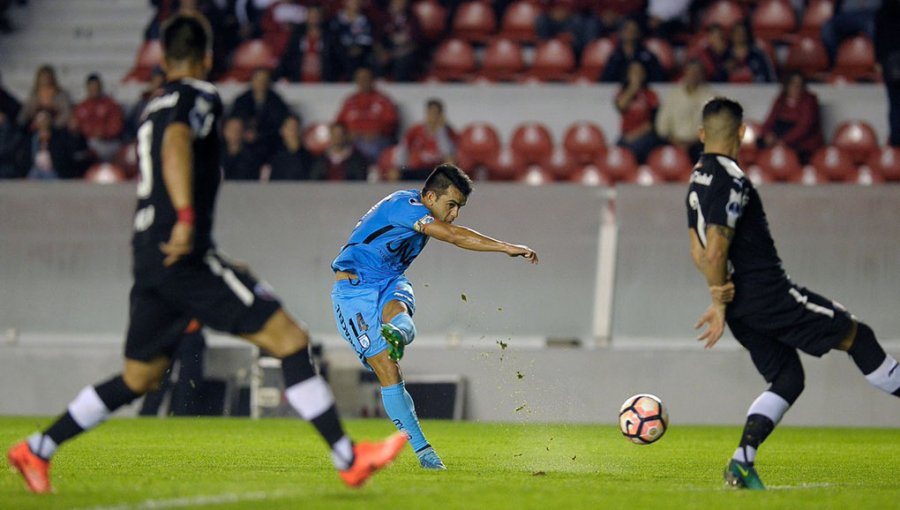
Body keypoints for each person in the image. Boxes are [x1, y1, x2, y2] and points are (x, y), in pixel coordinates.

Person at [7, 13, 405, 495]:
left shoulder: (150, 106)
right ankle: (348, 457)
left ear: (162, 56)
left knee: (139, 376)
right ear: (207, 57)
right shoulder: (200, 95)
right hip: (184, 254)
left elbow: (164, 147)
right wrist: (187, 219)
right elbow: (178, 144)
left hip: (152, 257)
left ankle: (38, 448)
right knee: (290, 339)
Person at [686, 97, 900, 491]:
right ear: (742, 132)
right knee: (858, 335)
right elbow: (715, 250)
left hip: (741, 306)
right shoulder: (732, 179)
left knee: (787, 377)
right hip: (769, 294)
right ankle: (741, 462)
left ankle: (741, 463)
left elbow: (698, 251)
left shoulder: (696, 179)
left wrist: (720, 298)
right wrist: (718, 299)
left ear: (702, 135)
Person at [330, 164, 538, 470]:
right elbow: (453, 236)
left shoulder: (419, 208)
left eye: (459, 208)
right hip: (353, 290)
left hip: (389, 279)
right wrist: (506, 247)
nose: (453, 214)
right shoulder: (406, 207)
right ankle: (424, 451)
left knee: (400, 315)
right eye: (451, 205)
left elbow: (448, 230)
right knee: (389, 371)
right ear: (429, 196)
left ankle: (398, 333)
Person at [335, 67, 398, 163]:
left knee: (369, 149)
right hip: (351, 140)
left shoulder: (383, 100)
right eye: (359, 79)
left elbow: (392, 122)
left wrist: (376, 132)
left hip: (375, 140)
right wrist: (347, 134)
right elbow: (338, 124)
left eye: (366, 78)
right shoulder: (349, 101)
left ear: (372, 80)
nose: (363, 81)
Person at [759, 72, 824, 164]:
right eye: (793, 83)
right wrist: (767, 134)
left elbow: (804, 127)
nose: (796, 87)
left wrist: (784, 141)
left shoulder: (809, 100)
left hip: (802, 142)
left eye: (799, 84)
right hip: (779, 137)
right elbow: (769, 121)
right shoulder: (781, 100)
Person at [655, 59, 714, 161]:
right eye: (690, 71)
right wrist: (675, 141)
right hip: (673, 142)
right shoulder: (674, 95)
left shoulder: (710, 97)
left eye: (696, 72)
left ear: (702, 75)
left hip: (698, 143)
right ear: (685, 73)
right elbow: (662, 124)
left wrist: (691, 143)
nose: (693, 75)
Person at [229, 67, 292, 154]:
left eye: (264, 80)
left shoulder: (276, 101)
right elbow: (234, 120)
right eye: (258, 79)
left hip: (269, 143)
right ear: (252, 81)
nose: (261, 83)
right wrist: (246, 131)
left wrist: (260, 134)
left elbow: (280, 123)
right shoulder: (242, 100)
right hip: (244, 142)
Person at [392, 98, 457, 180]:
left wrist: (441, 132)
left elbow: (449, 156)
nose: (433, 117)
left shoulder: (448, 132)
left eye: (436, 113)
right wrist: (398, 167)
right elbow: (403, 149)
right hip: (415, 169)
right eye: (431, 113)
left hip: (435, 171)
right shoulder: (415, 131)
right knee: (396, 174)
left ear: (441, 115)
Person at [614, 60, 660, 164]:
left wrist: (634, 136)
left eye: (639, 72)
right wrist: (633, 88)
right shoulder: (622, 92)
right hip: (626, 135)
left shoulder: (650, 94)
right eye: (633, 72)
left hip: (645, 135)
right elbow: (620, 106)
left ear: (644, 74)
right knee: (615, 153)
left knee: (635, 151)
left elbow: (652, 123)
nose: (636, 75)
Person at [74, 73, 125, 162]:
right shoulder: (82, 107)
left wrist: (104, 133)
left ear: (100, 87)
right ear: (87, 88)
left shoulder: (110, 105)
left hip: (109, 142)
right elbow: (77, 126)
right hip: (87, 142)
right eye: (91, 87)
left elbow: (116, 125)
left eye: (96, 87)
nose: (94, 90)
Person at [600, 17, 665, 84]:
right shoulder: (615, 56)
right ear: (621, 33)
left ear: (638, 33)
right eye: (627, 29)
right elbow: (605, 81)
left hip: (644, 92)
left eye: (633, 30)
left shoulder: (648, 57)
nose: (630, 32)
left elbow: (658, 81)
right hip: (617, 92)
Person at [875, 0, 900, 147]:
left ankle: (897, 142)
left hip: (890, 62)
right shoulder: (885, 11)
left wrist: (880, 59)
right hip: (892, 64)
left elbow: (879, 37)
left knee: (896, 105)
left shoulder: (884, 10)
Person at [268, 114, 314, 180]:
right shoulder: (275, 159)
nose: (292, 131)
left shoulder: (309, 158)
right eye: (289, 128)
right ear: (282, 131)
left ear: (300, 130)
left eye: (295, 127)